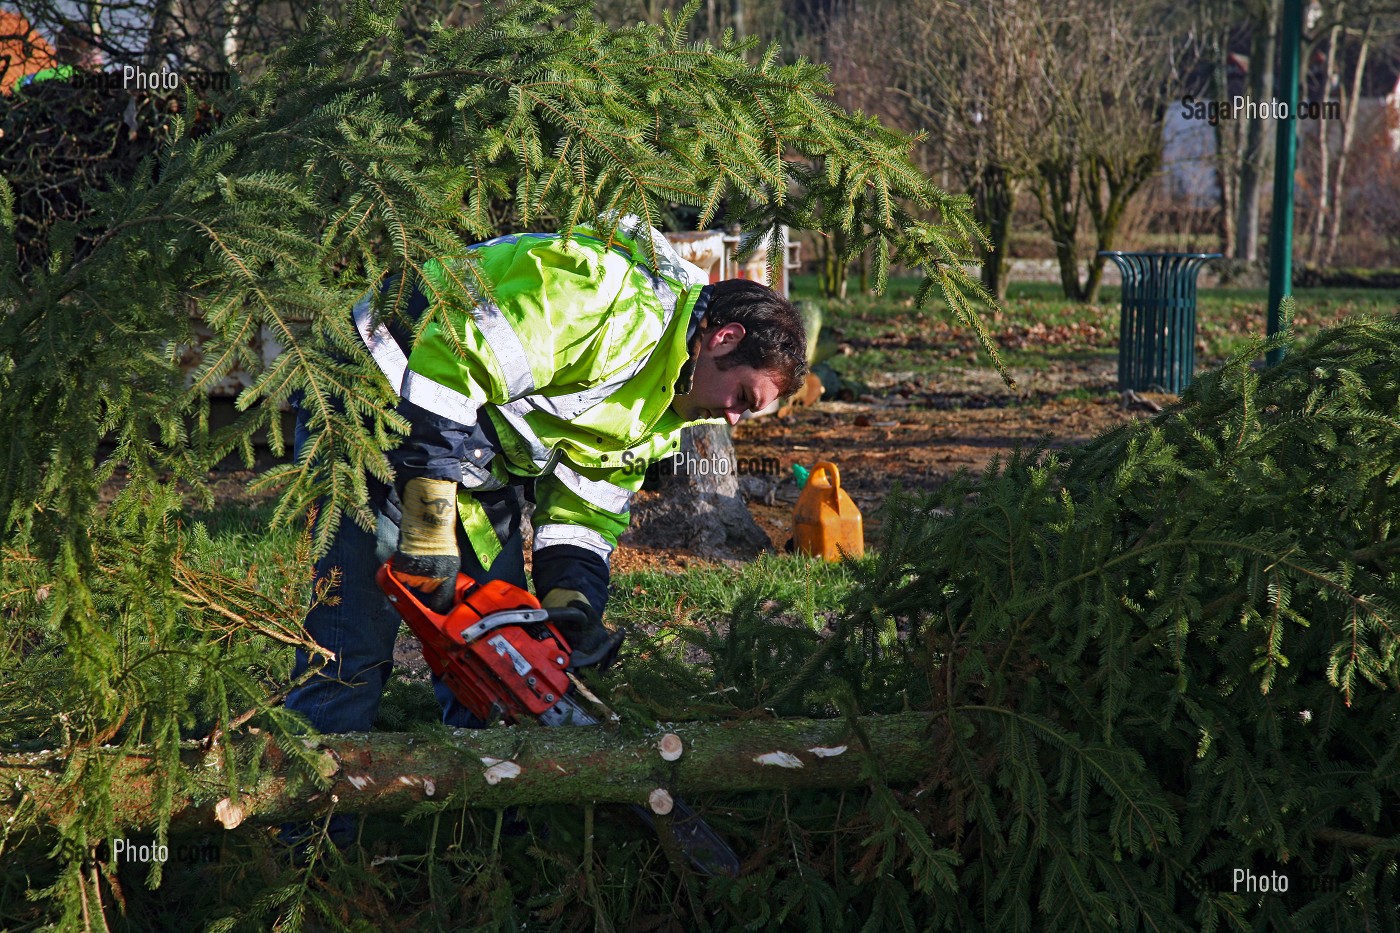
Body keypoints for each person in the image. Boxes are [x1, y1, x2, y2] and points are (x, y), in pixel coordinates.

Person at [284, 217, 808, 734]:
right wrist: (427, 521)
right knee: (350, 645)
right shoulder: (608, 300)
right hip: (369, 397)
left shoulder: (664, 408)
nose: (733, 419)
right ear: (724, 338)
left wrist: (571, 604)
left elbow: (585, 512)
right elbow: (448, 365)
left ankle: (484, 803)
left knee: (506, 659)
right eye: (742, 398)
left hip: (473, 454)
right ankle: (316, 811)